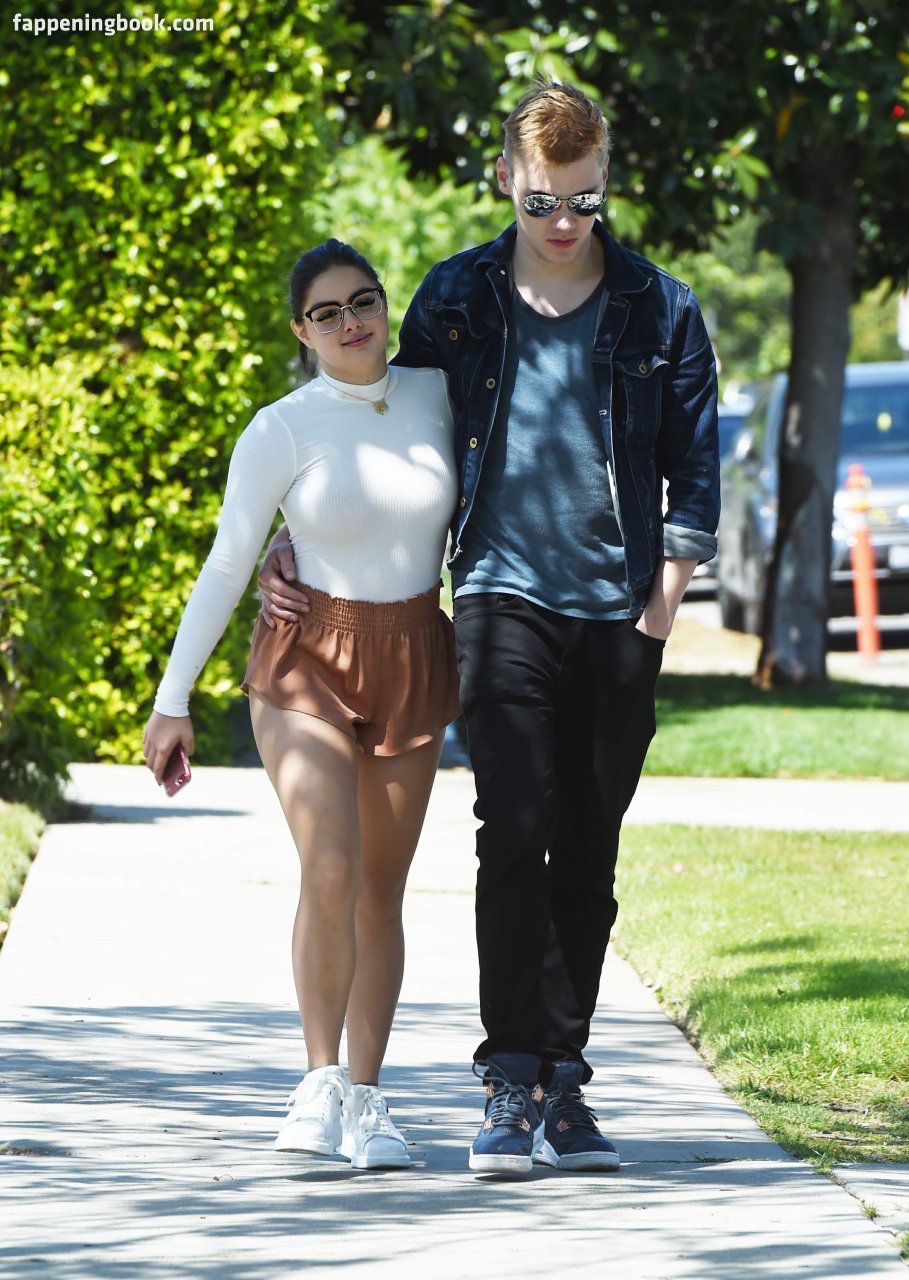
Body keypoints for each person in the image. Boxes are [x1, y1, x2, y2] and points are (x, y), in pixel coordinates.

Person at [259, 82, 720, 1176]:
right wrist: (297, 537)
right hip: (500, 595)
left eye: (584, 201)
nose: (563, 222)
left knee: (589, 849)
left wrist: (661, 605)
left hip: (619, 610)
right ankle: (509, 1076)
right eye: (542, 201)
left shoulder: (661, 309)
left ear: (604, 184)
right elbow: (385, 420)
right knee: (513, 828)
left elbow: (695, 475)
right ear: (507, 180)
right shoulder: (458, 295)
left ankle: (566, 1081)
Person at [142, 238, 460, 1169]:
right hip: (306, 659)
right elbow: (229, 561)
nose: (351, 322)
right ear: (301, 331)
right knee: (329, 863)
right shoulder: (280, 428)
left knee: (380, 890)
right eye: (327, 312)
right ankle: (318, 1082)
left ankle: (367, 1098)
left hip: (413, 653)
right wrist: (172, 700)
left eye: (363, 301)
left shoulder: (441, 397)